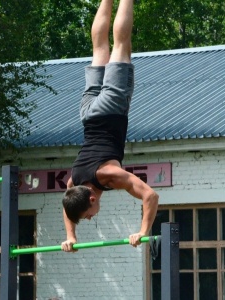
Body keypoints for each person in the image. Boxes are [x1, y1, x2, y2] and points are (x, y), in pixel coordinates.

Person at [61, 0, 159, 252]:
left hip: (111, 108)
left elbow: (151, 195)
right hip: (87, 113)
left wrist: (142, 232)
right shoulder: (76, 181)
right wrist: (70, 236)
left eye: (88, 214)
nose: (91, 217)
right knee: (99, 48)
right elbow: (67, 203)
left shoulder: (108, 176)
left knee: (121, 46)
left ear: (92, 198)